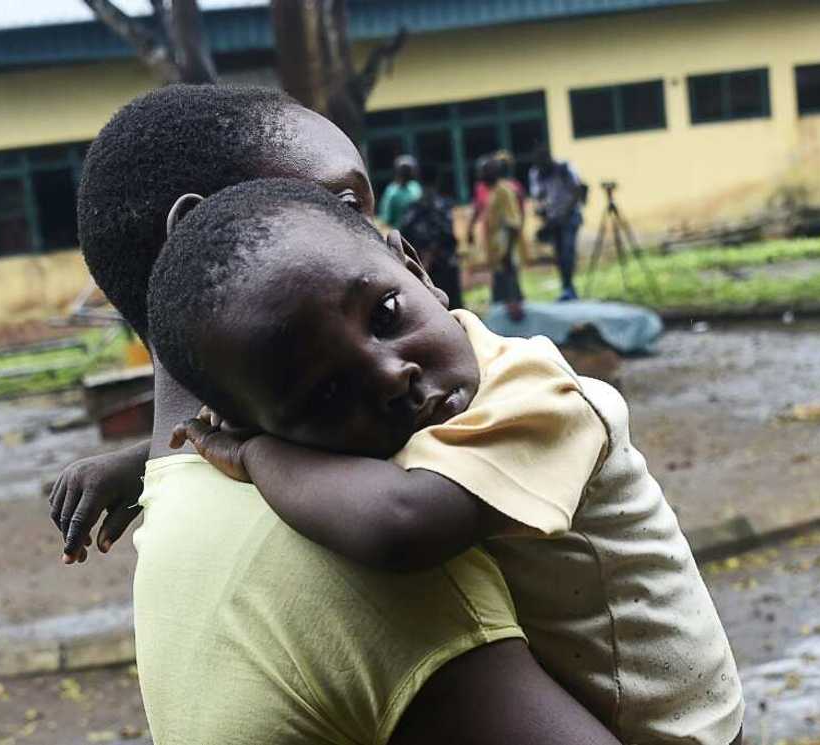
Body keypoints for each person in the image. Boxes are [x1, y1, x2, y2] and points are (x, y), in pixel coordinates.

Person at [49, 84, 628, 745]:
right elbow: (400, 522)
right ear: (202, 233)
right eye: (346, 202)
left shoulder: (184, 491)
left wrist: (150, 463)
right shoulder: (350, 561)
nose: (378, 236)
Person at [151, 178, 745, 745]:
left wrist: (254, 454)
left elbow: (401, 526)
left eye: (385, 314)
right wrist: (143, 464)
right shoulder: (417, 416)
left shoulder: (538, 394)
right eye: (326, 393)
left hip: (674, 727)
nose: (390, 376)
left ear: (416, 268)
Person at [530, 145, 585, 301]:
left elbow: (577, 192)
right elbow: (539, 197)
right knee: (559, 255)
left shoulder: (564, 168)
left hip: (570, 216)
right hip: (554, 220)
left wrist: (564, 215)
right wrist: (544, 217)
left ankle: (569, 287)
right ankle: (567, 288)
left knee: (567, 252)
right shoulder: (537, 173)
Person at [397, 179, 463, 310]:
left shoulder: (414, 209)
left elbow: (404, 236)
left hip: (430, 267)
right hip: (440, 266)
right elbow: (448, 235)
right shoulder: (443, 206)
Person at [483, 156, 525, 321]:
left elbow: (513, 224)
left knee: (512, 298)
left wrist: (507, 253)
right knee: (501, 299)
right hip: (498, 254)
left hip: (506, 252)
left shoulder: (504, 191)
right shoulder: (493, 192)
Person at [378, 154, 423, 228]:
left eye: (410, 170)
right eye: (405, 170)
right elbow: (385, 218)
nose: (408, 172)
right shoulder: (392, 191)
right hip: (401, 233)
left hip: (419, 231)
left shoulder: (416, 186)